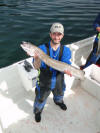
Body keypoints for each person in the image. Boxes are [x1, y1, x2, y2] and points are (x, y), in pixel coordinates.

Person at [33, 22, 72, 122]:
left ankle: (58, 101)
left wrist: (68, 70)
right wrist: (37, 59)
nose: (56, 37)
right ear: (50, 34)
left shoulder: (66, 50)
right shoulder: (41, 49)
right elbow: (36, 67)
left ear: (62, 36)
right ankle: (38, 111)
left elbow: (66, 64)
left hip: (59, 79)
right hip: (44, 80)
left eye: (59, 34)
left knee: (60, 93)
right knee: (41, 98)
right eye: (54, 34)